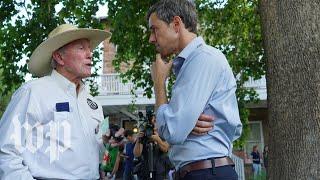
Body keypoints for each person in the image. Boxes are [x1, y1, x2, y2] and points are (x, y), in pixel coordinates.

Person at [0, 24, 110, 179]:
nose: (90, 54)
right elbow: (6, 150)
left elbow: (97, 156)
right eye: (81, 48)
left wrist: (108, 144)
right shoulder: (33, 92)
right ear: (59, 57)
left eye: (89, 48)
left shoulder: (93, 103)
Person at [148, 0, 243, 179]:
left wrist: (159, 83)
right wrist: (185, 123)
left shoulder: (203, 58)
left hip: (207, 172)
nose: (151, 38)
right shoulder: (190, 64)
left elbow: (171, 131)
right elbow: (173, 127)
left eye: (155, 29)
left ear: (176, 24)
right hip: (202, 171)